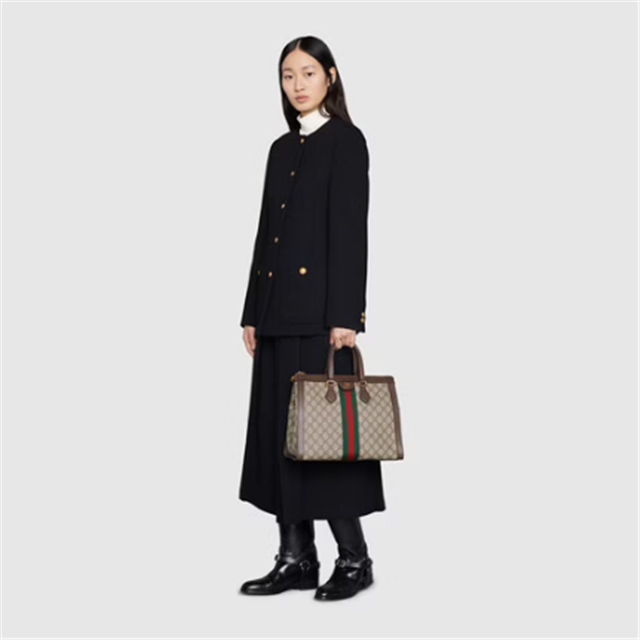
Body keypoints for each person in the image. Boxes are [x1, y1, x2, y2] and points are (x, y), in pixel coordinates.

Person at [237, 35, 386, 601]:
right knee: (280, 440)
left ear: (330, 76)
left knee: (325, 442)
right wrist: (252, 311)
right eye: (287, 75)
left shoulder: (346, 141)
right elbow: (265, 236)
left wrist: (346, 316)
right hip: (275, 315)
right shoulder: (281, 148)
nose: (297, 84)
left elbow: (349, 233)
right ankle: (296, 557)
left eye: (307, 73)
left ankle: (355, 560)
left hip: (321, 318)